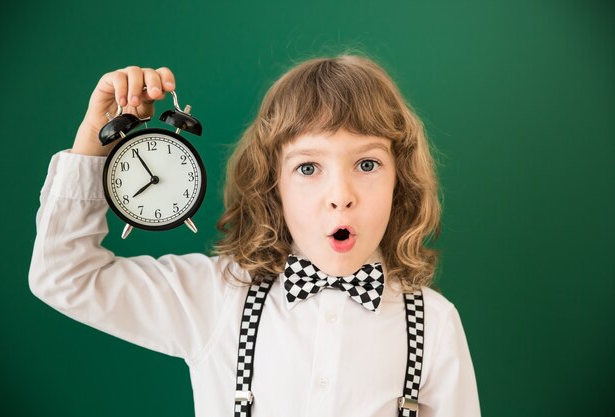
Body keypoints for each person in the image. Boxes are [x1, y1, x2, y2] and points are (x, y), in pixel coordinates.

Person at [29, 54, 481, 416]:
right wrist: (95, 138)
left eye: (367, 164)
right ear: (273, 185)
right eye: (308, 167)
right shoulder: (213, 297)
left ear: (399, 178)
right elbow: (64, 275)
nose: (340, 196)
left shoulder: (435, 325)